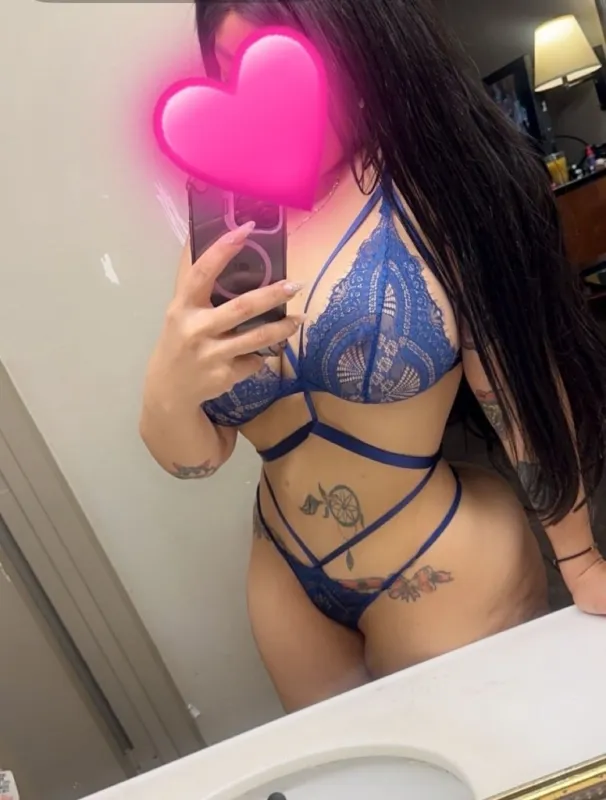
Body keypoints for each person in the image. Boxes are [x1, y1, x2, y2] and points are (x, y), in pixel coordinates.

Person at [140, 0, 606, 713]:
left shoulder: (433, 188)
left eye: (289, 64)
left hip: (439, 561)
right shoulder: (229, 229)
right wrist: (168, 389)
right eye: (235, 70)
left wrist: (580, 560)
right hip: (284, 581)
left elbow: (516, 388)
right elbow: (198, 459)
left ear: (361, 50)